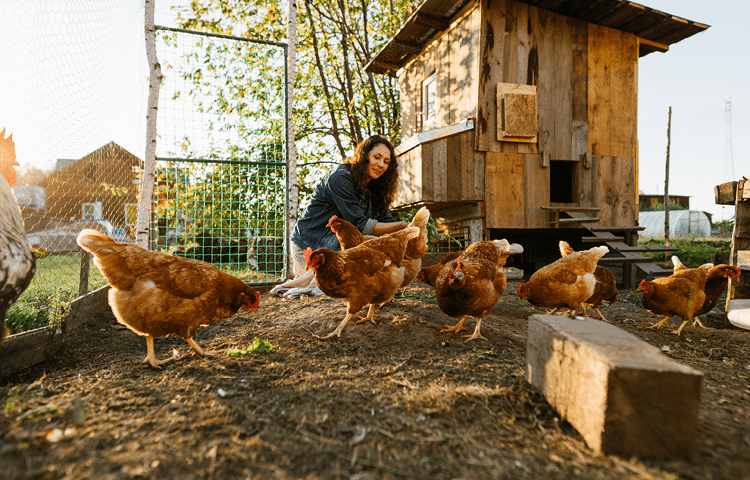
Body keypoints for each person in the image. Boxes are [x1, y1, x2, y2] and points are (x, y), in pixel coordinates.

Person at [272, 135, 408, 297]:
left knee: (378, 247)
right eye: (376, 157)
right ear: (364, 156)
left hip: (335, 246)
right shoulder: (340, 178)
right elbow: (360, 226)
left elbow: (386, 220)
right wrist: (403, 227)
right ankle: (299, 287)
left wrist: (404, 235)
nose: (380, 164)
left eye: (386, 162)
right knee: (364, 247)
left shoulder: (375, 187)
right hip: (310, 249)